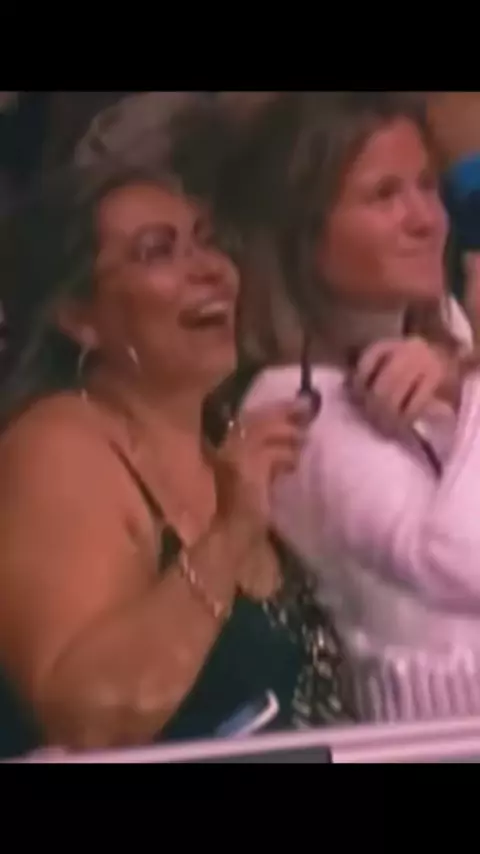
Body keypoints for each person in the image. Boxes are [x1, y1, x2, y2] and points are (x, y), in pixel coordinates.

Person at [0, 147, 355, 753]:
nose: (212, 270)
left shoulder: (221, 441)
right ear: (79, 317)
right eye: (157, 252)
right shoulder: (58, 448)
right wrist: (231, 533)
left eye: (205, 241)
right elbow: (87, 717)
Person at [202, 90, 480, 723]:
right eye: (384, 195)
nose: (426, 219)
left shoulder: (441, 354)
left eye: (427, 185)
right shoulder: (293, 407)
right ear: (302, 234)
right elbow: (466, 561)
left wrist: (460, 376)